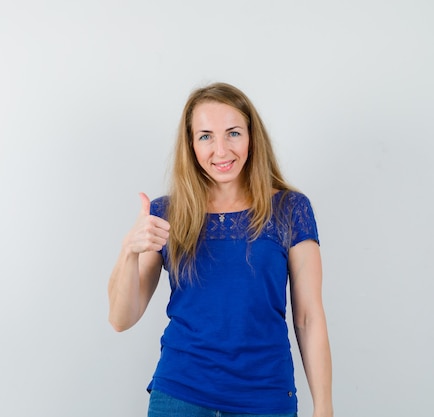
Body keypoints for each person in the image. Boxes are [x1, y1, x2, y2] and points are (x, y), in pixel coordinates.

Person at [107, 82, 333, 417]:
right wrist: (129, 250)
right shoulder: (165, 213)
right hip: (179, 395)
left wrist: (324, 408)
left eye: (233, 133)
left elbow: (308, 318)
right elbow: (121, 319)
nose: (221, 150)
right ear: (191, 144)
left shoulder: (290, 209)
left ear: (251, 137)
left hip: (266, 397)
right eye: (206, 136)